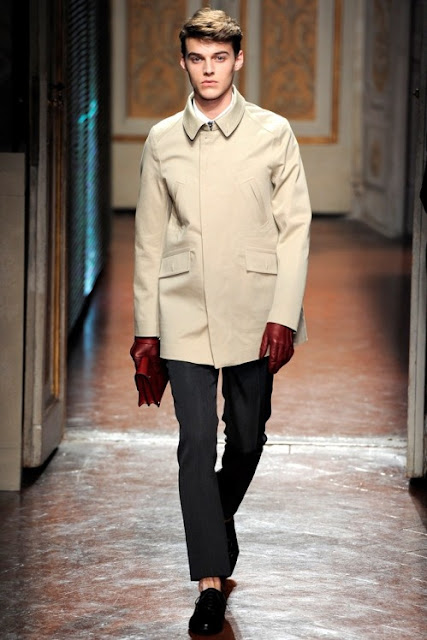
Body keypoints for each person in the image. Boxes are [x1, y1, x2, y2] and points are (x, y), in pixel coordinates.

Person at [130, 7, 311, 635]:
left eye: (219, 58)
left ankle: (215, 522)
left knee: (249, 438)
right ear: (183, 62)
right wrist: (146, 330)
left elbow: (295, 230)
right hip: (181, 308)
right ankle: (210, 585)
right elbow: (148, 240)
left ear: (237, 61)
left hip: (256, 310)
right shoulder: (162, 140)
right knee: (196, 443)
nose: (208, 70)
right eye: (197, 58)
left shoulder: (273, 133)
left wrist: (284, 315)